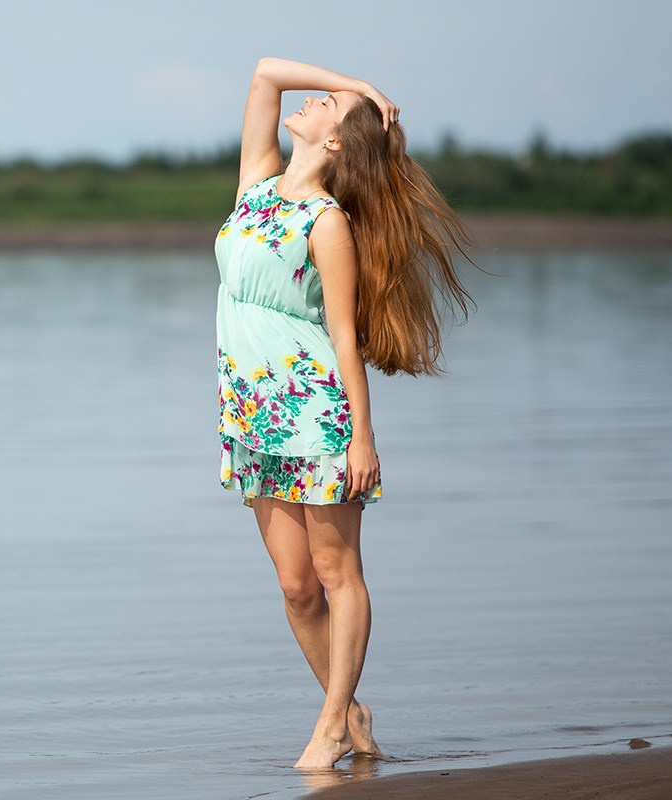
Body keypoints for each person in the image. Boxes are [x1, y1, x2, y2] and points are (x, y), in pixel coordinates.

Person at [214, 57, 474, 770]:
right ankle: (351, 707)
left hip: (316, 415)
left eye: (324, 103)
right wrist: (363, 88)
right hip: (252, 416)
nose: (310, 99)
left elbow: (341, 337)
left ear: (335, 144)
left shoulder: (326, 223)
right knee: (296, 588)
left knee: (337, 574)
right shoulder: (257, 186)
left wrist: (363, 436)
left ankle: (330, 727)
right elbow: (267, 72)